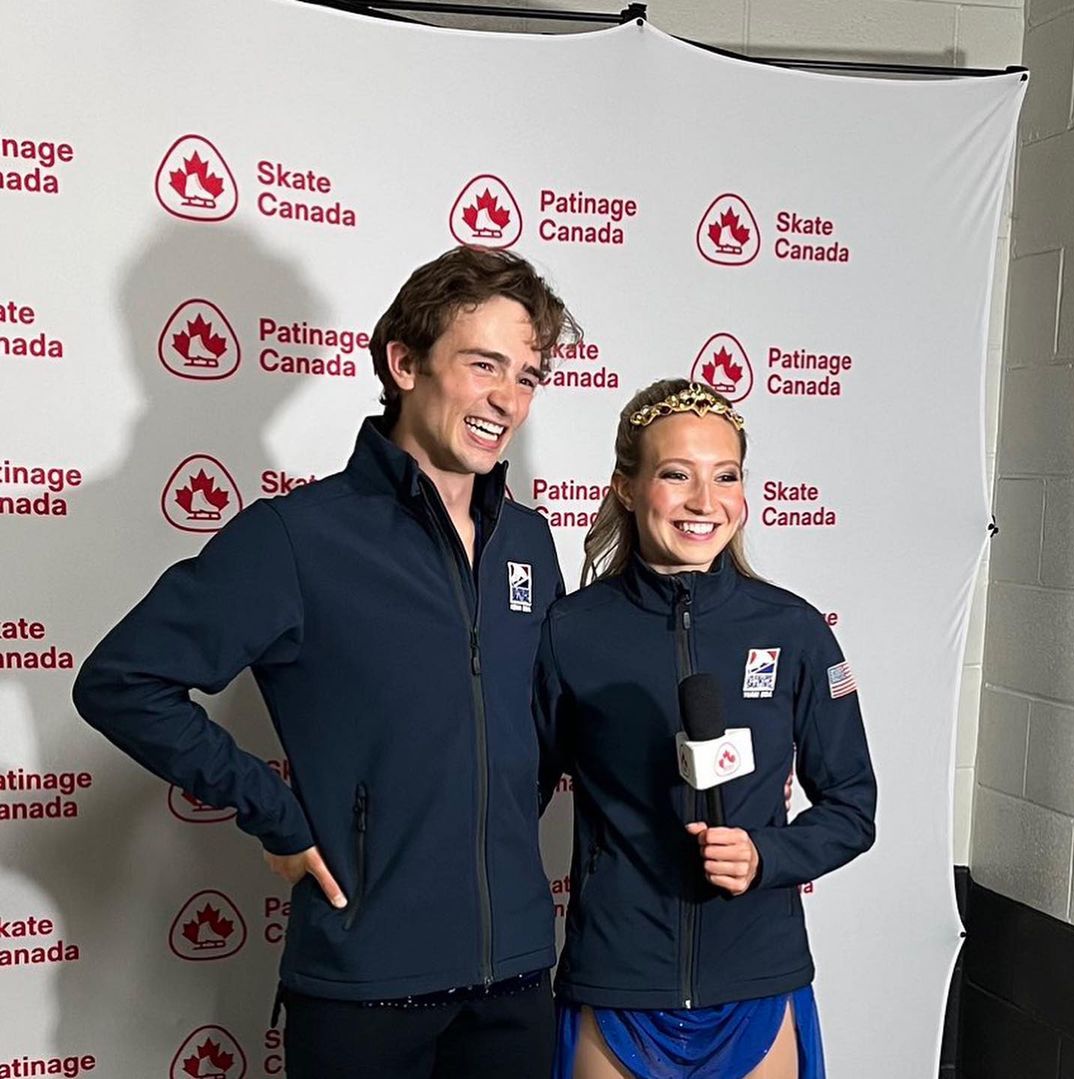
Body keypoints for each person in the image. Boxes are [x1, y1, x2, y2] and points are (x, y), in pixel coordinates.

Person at [72, 246, 580, 1079]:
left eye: (527, 375)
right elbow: (122, 681)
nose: (508, 399)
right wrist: (276, 810)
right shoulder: (297, 537)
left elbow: (546, 726)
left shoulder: (528, 540)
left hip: (517, 980)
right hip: (364, 989)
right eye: (484, 364)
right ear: (405, 363)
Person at [533, 379, 877, 1078]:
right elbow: (511, 799)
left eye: (726, 476)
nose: (704, 501)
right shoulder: (570, 630)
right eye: (675, 474)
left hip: (756, 980)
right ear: (626, 488)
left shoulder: (795, 629)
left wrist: (765, 856)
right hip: (618, 981)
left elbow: (852, 808)